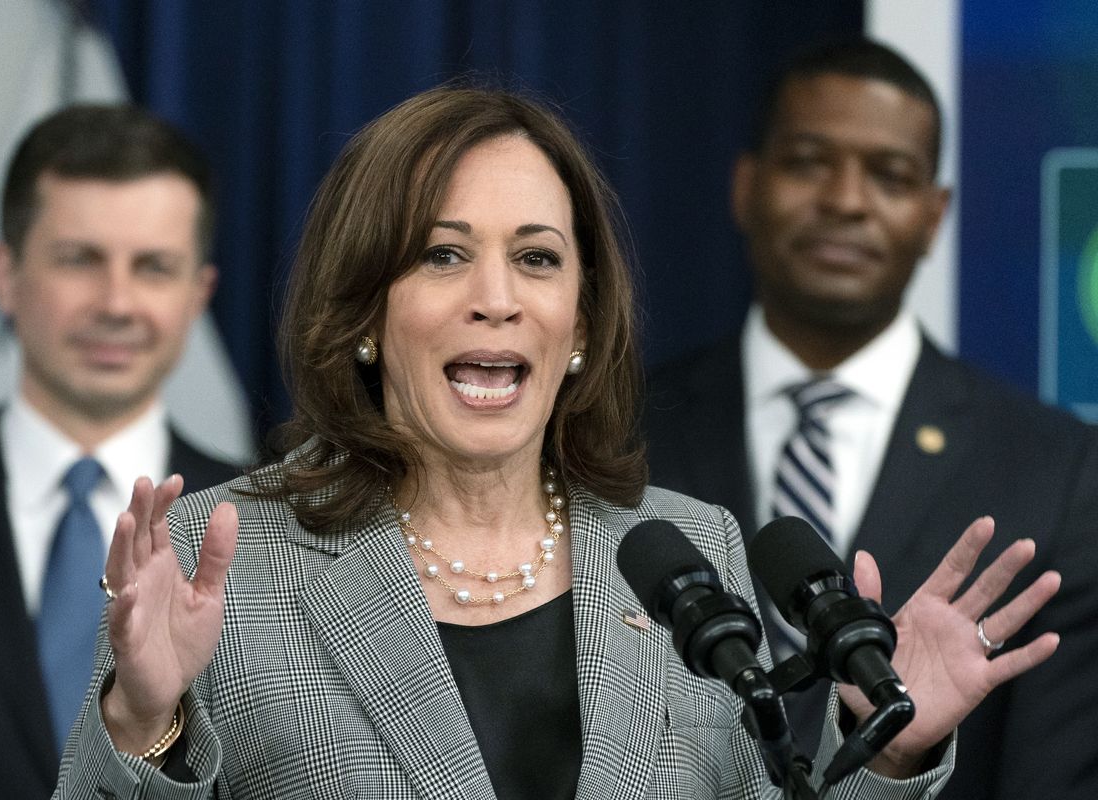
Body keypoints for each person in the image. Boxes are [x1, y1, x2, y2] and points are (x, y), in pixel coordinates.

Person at [53, 86, 1057, 800]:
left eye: (536, 258)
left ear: (578, 323)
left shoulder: (688, 551)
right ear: (364, 312)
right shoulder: (223, 560)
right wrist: (141, 722)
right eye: (444, 254)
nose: (496, 299)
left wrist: (886, 754)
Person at [644, 37, 1098, 800]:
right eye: (809, 161)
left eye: (889, 175)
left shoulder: (1060, 470)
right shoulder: (619, 430)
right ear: (746, 185)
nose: (847, 200)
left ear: (933, 214)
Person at [0, 104, 241, 798]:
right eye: (80, 259)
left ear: (198, 293)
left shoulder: (274, 526)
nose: (117, 302)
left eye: (153, 267)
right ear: (2, 273)